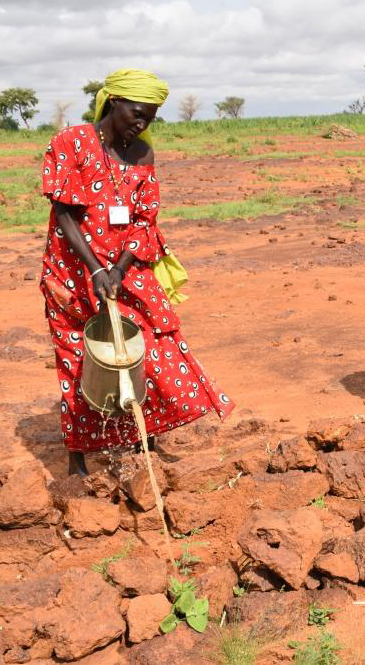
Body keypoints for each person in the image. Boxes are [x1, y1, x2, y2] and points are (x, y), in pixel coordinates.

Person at [39, 69, 234, 475]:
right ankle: (77, 456)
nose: (143, 122)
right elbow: (64, 212)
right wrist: (95, 268)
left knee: (153, 342)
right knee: (80, 355)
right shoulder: (71, 143)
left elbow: (145, 220)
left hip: (127, 269)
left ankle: (140, 434)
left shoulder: (143, 155)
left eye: (151, 116)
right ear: (114, 102)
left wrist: (121, 268)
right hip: (73, 273)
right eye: (137, 113)